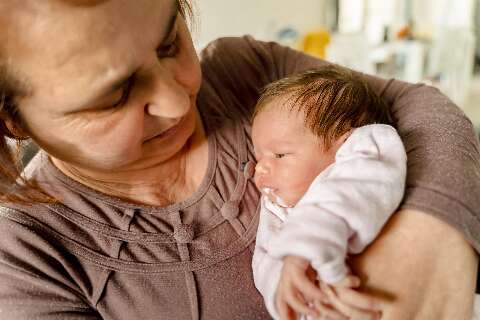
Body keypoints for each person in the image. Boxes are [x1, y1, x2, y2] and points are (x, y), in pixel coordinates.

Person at [0, 1, 477, 319]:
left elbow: (422, 110)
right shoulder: (24, 259)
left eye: (169, 43)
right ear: (14, 121)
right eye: (114, 95)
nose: (177, 99)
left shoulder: (250, 74)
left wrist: (435, 237)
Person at [251, 67, 407, 320]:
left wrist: (302, 251)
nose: (259, 167)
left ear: (345, 145)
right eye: (258, 156)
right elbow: (266, 259)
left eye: (279, 154)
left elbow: (345, 194)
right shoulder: (275, 207)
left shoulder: (368, 157)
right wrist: (290, 288)